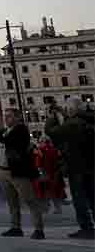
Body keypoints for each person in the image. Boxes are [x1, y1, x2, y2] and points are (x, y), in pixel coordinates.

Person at [0, 108, 45, 239]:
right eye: (5, 116)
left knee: (30, 200)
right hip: (3, 171)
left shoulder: (21, 129)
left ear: (17, 118)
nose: (6, 119)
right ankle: (16, 227)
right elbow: (0, 148)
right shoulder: (5, 131)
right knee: (11, 202)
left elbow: (11, 141)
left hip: (17, 172)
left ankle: (38, 229)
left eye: (9, 116)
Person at [46, 97, 95, 239]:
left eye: (67, 108)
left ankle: (86, 228)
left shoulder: (72, 124)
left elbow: (51, 131)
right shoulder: (88, 119)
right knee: (92, 196)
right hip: (91, 165)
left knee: (79, 199)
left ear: (71, 109)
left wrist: (52, 117)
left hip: (76, 166)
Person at [32, 135, 66, 214]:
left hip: (46, 173)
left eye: (41, 142)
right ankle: (56, 208)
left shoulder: (41, 150)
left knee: (45, 191)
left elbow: (38, 163)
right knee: (53, 192)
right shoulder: (53, 149)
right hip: (54, 173)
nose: (39, 143)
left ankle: (46, 208)